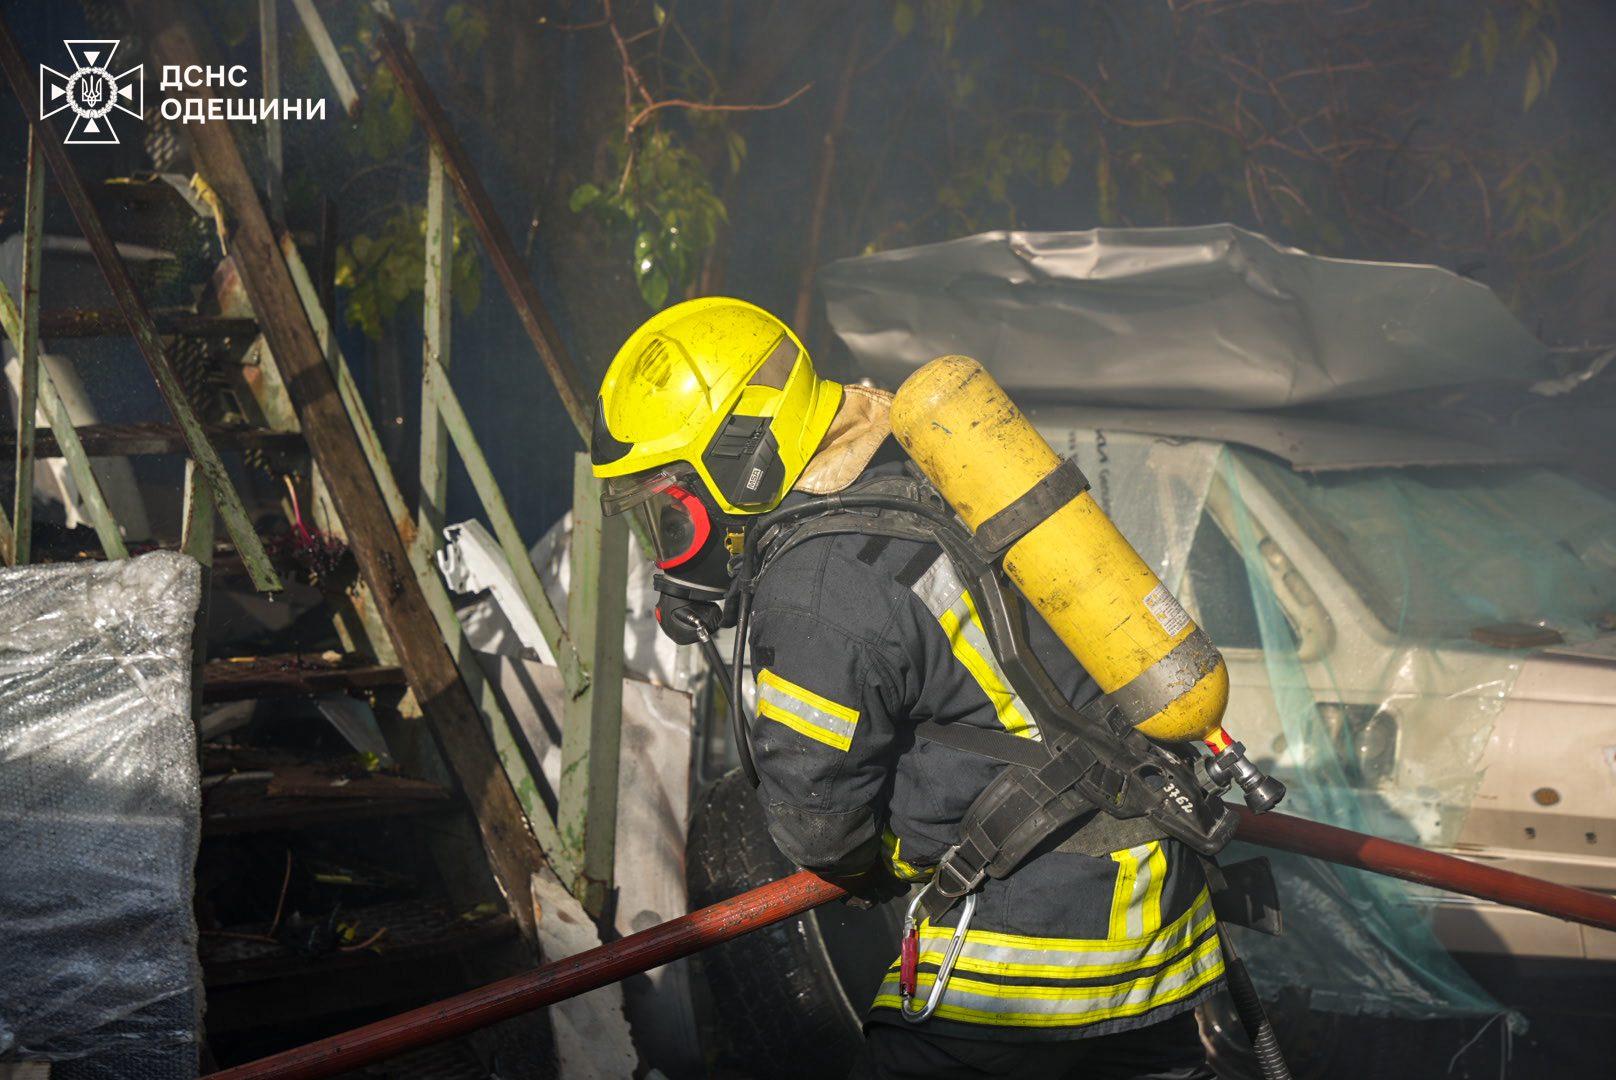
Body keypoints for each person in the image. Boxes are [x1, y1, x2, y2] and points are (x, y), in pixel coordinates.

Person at [591, 297, 1222, 1079]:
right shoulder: (920, 465)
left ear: (735, 457)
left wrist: (890, 860)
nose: (671, 548)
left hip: (1033, 960)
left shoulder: (813, 587)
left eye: (669, 509)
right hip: (1160, 921)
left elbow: (820, 828)